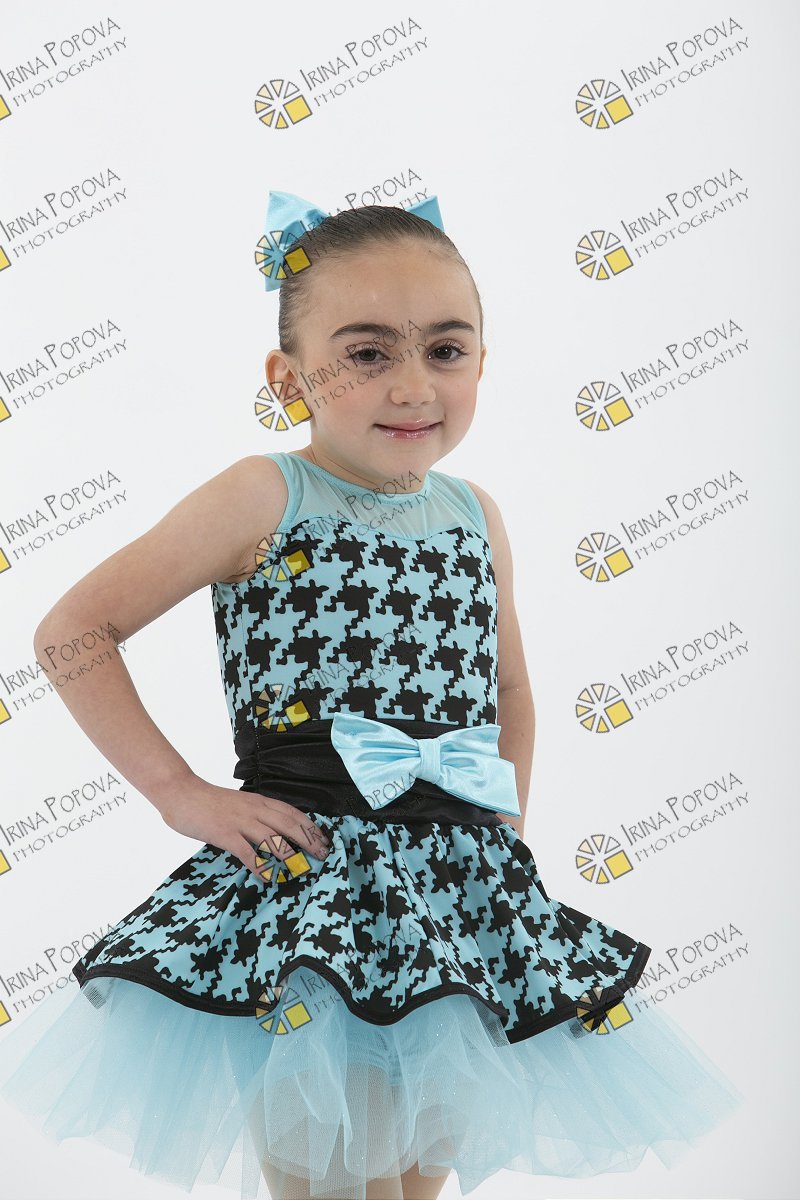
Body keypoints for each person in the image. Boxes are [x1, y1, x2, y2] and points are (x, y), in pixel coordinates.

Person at [0, 190, 744, 1200]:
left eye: (445, 349)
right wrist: (181, 794)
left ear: (480, 360)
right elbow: (73, 633)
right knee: (333, 1178)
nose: (412, 384)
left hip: (456, 888)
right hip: (312, 885)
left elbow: (510, 687)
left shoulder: (473, 513)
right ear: (289, 378)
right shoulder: (266, 494)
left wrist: (501, 830)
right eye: (366, 353)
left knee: (415, 1174)